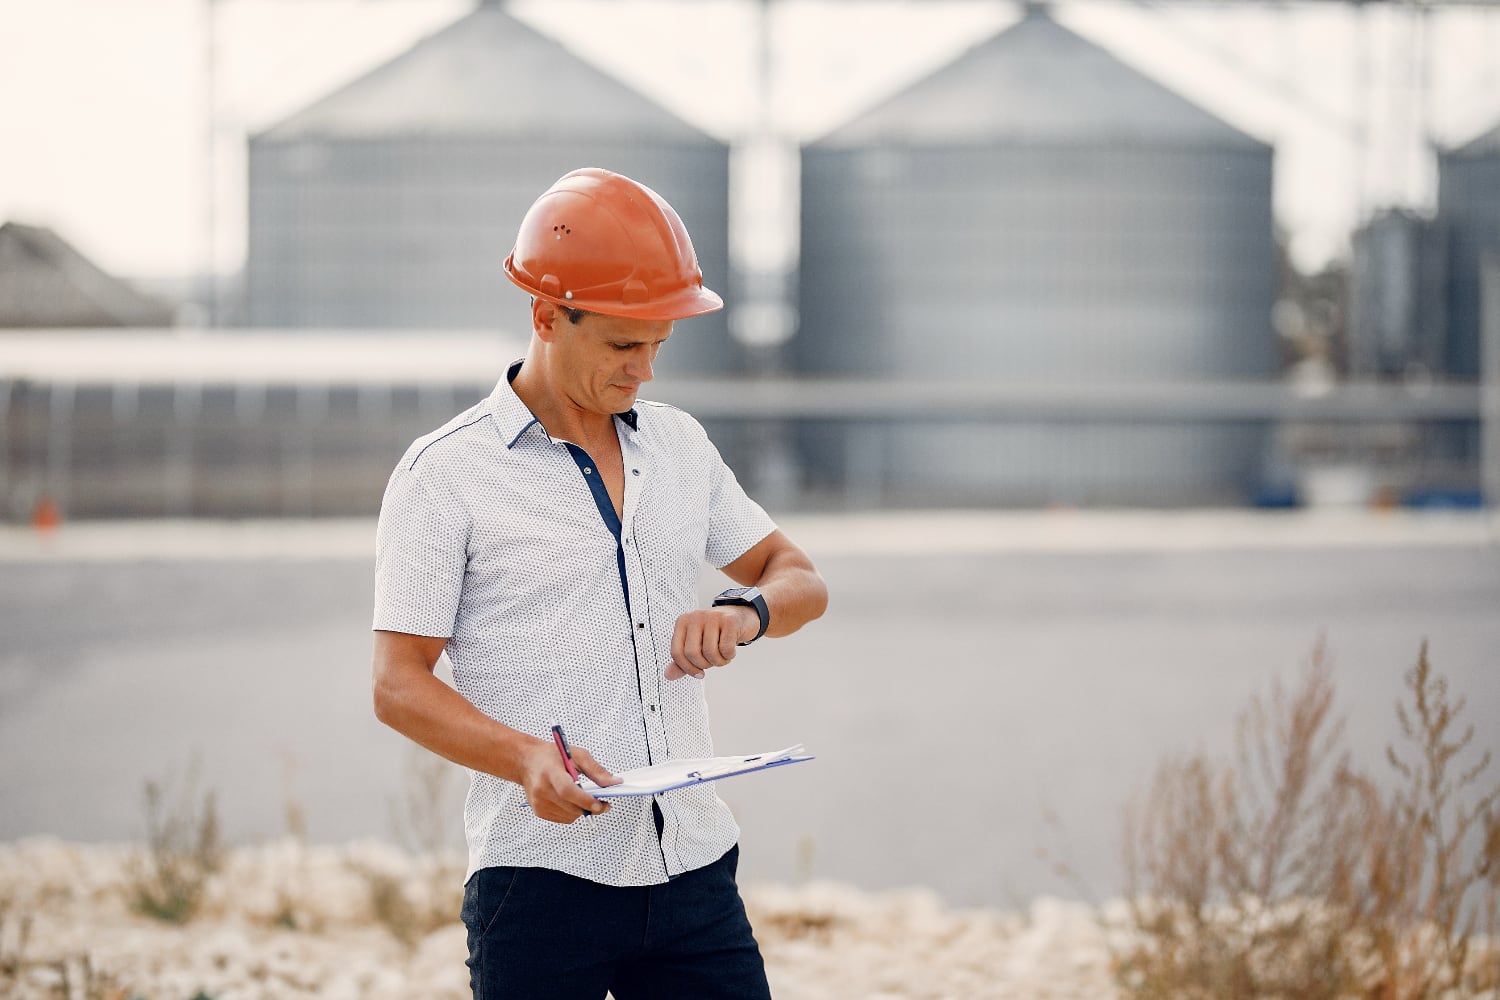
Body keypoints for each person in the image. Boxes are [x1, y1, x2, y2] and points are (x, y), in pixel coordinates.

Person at [370, 167, 829, 1000]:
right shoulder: (444, 474)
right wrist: (523, 760)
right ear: (548, 315)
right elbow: (398, 685)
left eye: (659, 344)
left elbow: (799, 578)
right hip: (541, 885)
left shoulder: (682, 447)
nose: (646, 370)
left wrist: (743, 613)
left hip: (693, 869)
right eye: (624, 344)